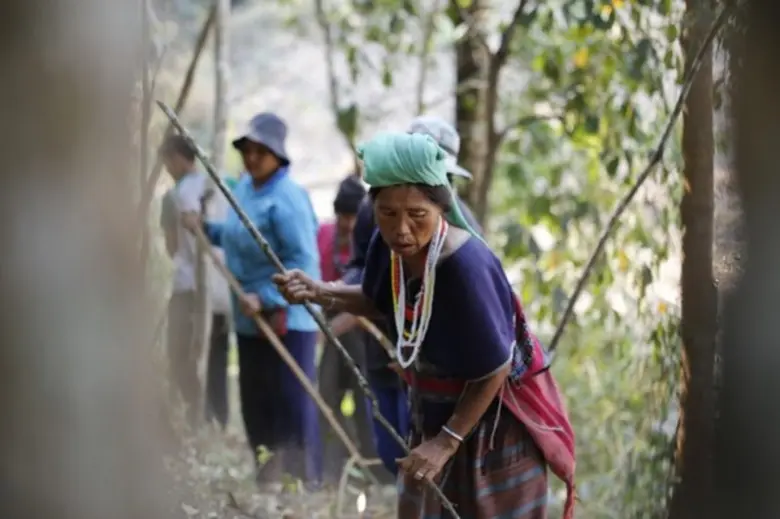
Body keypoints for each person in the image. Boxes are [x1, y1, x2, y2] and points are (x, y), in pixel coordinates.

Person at [273, 132, 575, 518]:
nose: (401, 229)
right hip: (434, 418)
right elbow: (380, 300)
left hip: (492, 431)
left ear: (440, 209)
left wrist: (446, 442)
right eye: (388, 213)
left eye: (417, 215)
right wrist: (318, 291)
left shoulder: (463, 267)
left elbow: (496, 365)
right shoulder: (392, 249)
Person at [335, 116, 482, 478]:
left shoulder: (468, 238)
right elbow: (361, 267)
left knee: (428, 459)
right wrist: (341, 296)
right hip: (384, 352)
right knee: (393, 451)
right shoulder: (375, 212)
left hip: (440, 373)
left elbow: (490, 348)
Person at [197, 113, 323, 488]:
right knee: (255, 402)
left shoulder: (289, 198)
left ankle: (301, 485)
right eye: (247, 150)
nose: (252, 158)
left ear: (278, 156)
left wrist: (267, 296)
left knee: (289, 404)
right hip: (248, 319)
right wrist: (205, 230)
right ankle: (266, 478)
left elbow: (304, 261)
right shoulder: (245, 191)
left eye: (260, 151)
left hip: (287, 320)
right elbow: (236, 237)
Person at [315, 174, 379, 482]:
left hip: (364, 331)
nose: (348, 223)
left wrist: (341, 323)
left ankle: (371, 467)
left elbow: (371, 295)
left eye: (353, 216)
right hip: (331, 328)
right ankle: (331, 466)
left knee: (365, 400)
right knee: (326, 397)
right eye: (343, 216)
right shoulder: (325, 235)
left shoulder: (371, 239)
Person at [158, 135, 212, 427]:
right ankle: (208, 413)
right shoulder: (214, 187)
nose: (166, 167)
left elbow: (171, 247)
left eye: (167, 161)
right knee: (205, 353)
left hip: (186, 284)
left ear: (177, 158)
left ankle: (194, 411)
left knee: (177, 352)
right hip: (215, 290)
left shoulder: (174, 197)